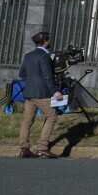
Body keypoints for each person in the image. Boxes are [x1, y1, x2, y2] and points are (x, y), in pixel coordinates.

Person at [18, 31, 64, 159]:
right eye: (48, 40)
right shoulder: (44, 56)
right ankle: (42, 148)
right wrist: (55, 91)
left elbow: (22, 74)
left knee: (27, 121)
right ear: (46, 41)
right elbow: (48, 76)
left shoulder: (28, 56)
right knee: (52, 116)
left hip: (29, 93)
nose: (49, 42)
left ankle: (24, 148)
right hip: (42, 93)